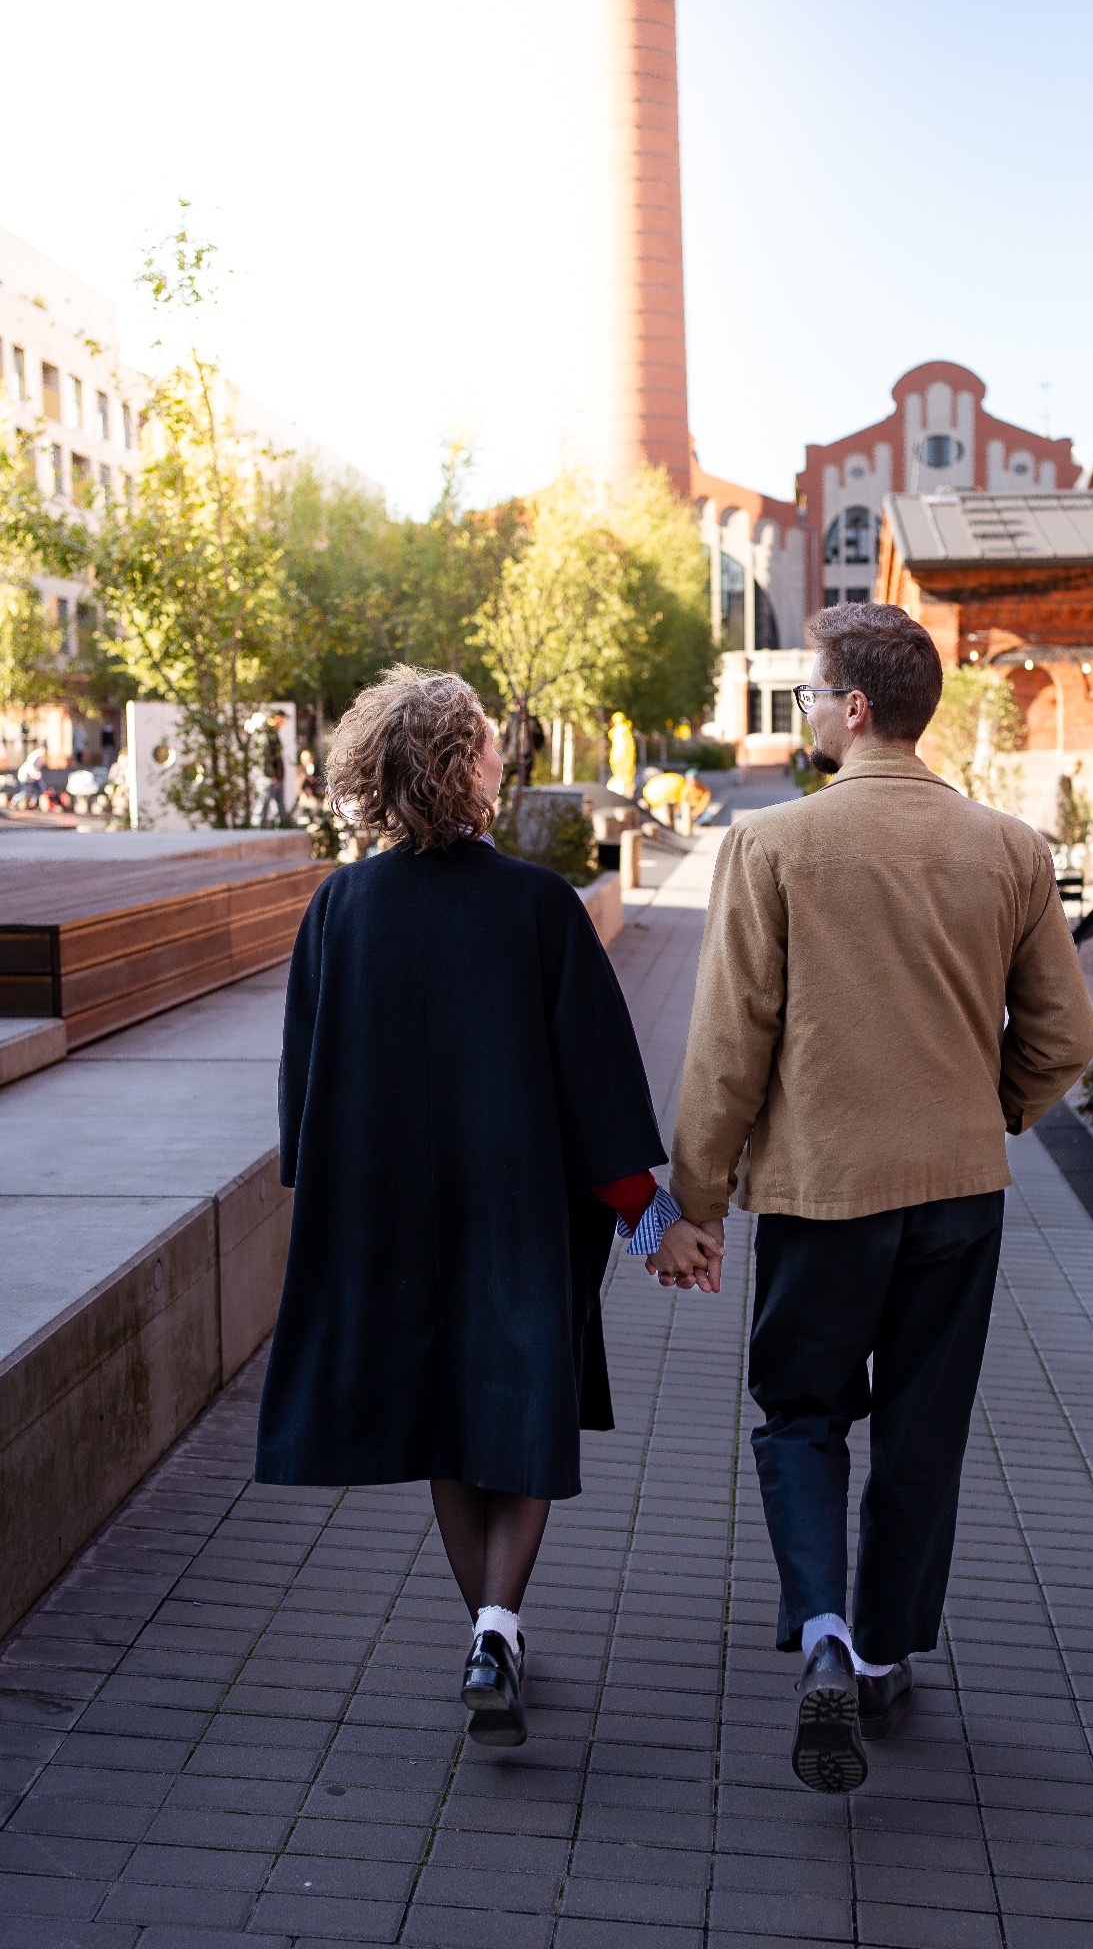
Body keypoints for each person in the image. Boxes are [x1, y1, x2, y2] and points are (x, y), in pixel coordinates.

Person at [652, 603, 1093, 1794]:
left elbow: (726, 1046)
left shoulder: (774, 845)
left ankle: (823, 1632)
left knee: (800, 1412)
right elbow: (1064, 1034)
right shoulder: (1006, 848)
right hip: (960, 1194)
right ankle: (889, 1646)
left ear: (853, 708)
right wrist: (989, 1107)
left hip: (821, 1193)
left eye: (806, 694)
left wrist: (692, 1198)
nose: (803, 712)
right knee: (921, 1425)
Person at [256, 665, 701, 1747]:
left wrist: (335, 1218)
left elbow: (304, 1097)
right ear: (459, 768)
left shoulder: (339, 909)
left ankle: (487, 1631)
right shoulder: (534, 906)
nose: (502, 757)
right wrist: (658, 1226)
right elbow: (596, 1089)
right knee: (520, 1409)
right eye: (489, 745)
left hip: (389, 1219)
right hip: (515, 1214)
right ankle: (497, 1623)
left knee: (446, 1423)